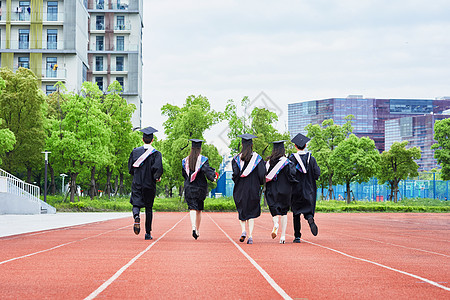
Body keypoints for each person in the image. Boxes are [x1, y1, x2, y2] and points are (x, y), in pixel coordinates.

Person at [128, 126, 163, 240]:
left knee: (136, 204)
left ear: (142, 139)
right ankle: (148, 233)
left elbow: (130, 169)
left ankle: (136, 216)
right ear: (152, 140)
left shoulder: (135, 152)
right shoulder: (156, 154)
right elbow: (158, 169)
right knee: (148, 208)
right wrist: (157, 177)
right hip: (149, 184)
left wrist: (137, 175)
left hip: (137, 182)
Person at [231, 134, 265, 244]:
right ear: (252, 145)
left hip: (240, 188)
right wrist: (260, 183)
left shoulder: (236, 159)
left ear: (242, 144)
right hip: (253, 188)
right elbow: (261, 174)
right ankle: (250, 236)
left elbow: (235, 174)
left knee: (242, 210)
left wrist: (236, 179)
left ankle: (243, 231)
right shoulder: (258, 159)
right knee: (251, 212)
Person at [182, 139, 217, 240]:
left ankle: (193, 227)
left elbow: (184, 174)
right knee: (199, 209)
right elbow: (207, 171)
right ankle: (197, 230)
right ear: (200, 149)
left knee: (192, 208)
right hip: (200, 188)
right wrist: (213, 177)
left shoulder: (185, 160)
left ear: (191, 148)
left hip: (189, 187)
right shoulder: (203, 160)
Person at [289, 133, 320, 243]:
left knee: (296, 213)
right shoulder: (311, 159)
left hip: (296, 190)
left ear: (296, 146)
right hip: (309, 189)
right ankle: (310, 218)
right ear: (305, 145)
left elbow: (290, 174)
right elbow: (317, 174)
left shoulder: (292, 159)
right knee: (307, 209)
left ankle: (297, 236)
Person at [265, 140, 297, 244]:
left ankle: (275, 224)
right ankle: (282, 236)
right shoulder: (287, 162)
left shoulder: (269, 162)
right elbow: (292, 176)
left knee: (273, 209)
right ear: (283, 150)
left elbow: (264, 175)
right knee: (284, 213)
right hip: (285, 190)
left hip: (272, 190)